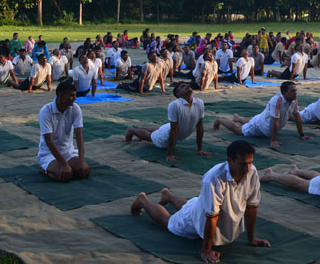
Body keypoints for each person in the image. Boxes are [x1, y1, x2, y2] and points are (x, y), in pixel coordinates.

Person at [129, 140, 269, 263]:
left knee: (192, 206)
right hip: (202, 215)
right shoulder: (213, 178)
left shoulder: (252, 172)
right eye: (242, 164)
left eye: (250, 163)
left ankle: (168, 196)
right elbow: (212, 216)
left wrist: (252, 238)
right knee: (169, 222)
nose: (247, 168)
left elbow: (251, 207)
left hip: (201, 205)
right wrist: (206, 250)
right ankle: (143, 200)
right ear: (229, 161)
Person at [126, 82, 210, 160]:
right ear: (179, 94)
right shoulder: (174, 105)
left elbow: (200, 127)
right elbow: (173, 131)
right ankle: (132, 130)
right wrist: (169, 154)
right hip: (167, 134)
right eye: (183, 86)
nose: (187, 86)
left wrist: (200, 150)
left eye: (186, 85)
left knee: (158, 131)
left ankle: (142, 128)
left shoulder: (199, 102)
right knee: (149, 136)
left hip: (171, 127)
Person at [214, 82, 310, 147]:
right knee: (238, 130)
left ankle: (238, 118)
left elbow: (298, 118)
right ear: (284, 92)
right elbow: (275, 121)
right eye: (292, 91)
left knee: (252, 121)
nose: (295, 93)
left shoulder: (294, 100)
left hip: (263, 120)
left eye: (295, 90)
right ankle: (219, 120)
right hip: (260, 126)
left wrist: (302, 135)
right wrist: (273, 140)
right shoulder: (277, 101)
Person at [37, 80, 91, 182]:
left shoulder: (75, 109)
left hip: (68, 151)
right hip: (48, 154)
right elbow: (49, 141)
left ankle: (67, 167)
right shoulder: (46, 111)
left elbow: (79, 135)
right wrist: (63, 164)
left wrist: (81, 160)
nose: (75, 98)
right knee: (63, 175)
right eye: (71, 95)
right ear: (61, 95)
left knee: (84, 172)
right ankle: (44, 169)